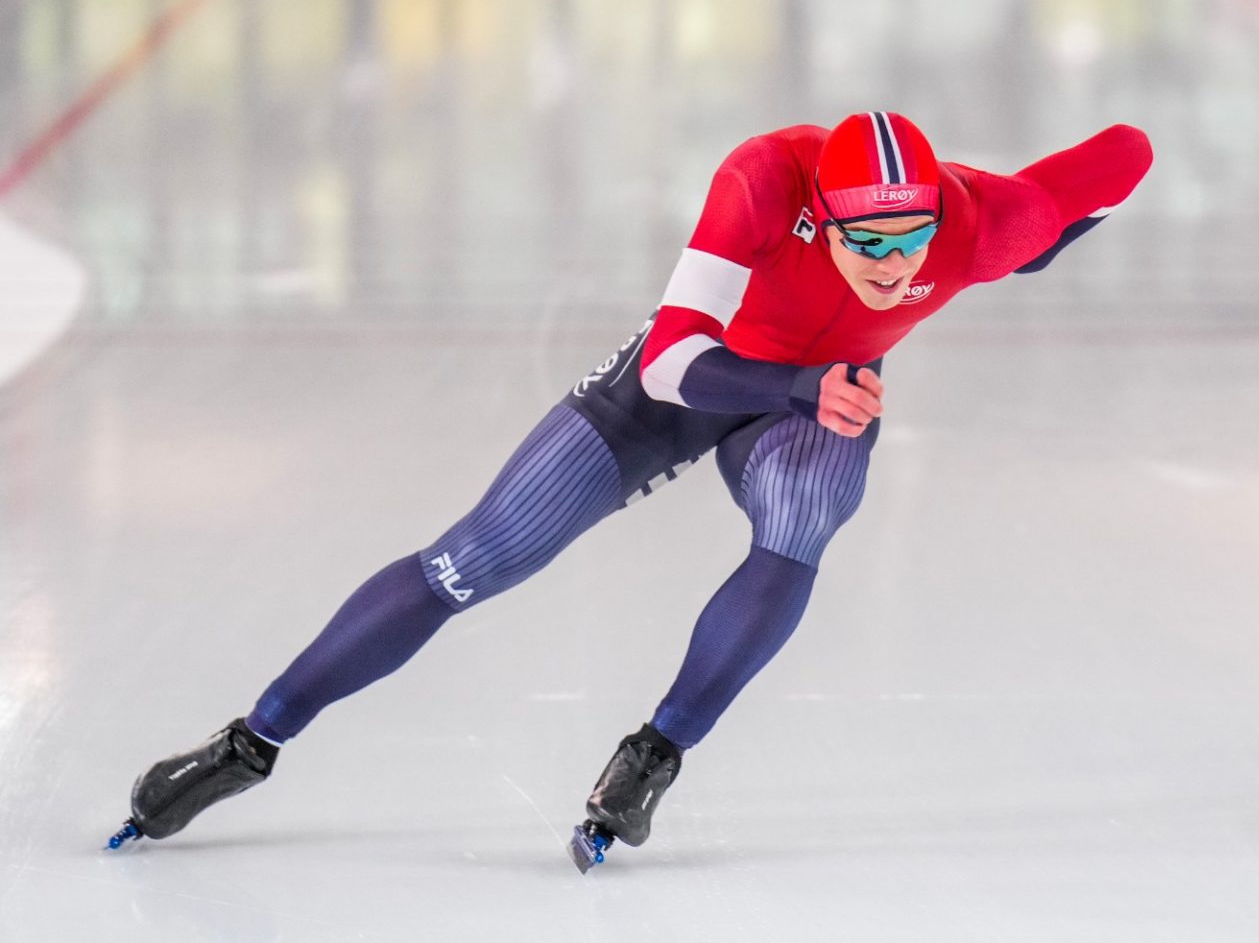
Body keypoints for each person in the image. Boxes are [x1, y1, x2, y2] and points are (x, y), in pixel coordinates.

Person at [111, 111, 1153, 867]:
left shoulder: (976, 223)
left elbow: (1117, 160)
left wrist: (1049, 232)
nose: (891, 265)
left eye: (911, 238)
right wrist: (798, 379)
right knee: (472, 559)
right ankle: (253, 738)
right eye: (864, 241)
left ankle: (654, 753)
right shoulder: (762, 180)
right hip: (712, 379)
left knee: (799, 525)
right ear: (819, 219)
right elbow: (667, 366)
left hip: (821, 401)